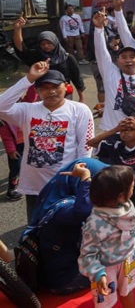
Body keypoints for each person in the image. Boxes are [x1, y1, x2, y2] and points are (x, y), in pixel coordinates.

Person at [0, 62, 94, 218]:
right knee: (35, 231)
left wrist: (78, 177)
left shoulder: (79, 110)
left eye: (55, 86)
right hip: (34, 185)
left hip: (64, 183)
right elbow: (2, 106)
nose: (50, 92)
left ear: (66, 87)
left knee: (63, 230)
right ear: (37, 91)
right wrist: (29, 78)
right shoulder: (27, 110)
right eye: (44, 87)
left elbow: (86, 145)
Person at [22, 158, 107, 294]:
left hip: (62, 269)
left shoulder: (56, 198)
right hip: (64, 281)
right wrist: (85, 178)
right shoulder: (64, 207)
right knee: (129, 257)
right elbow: (83, 211)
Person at [89, 116, 135, 258]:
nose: (126, 133)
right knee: (124, 223)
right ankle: (129, 250)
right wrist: (115, 130)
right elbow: (91, 142)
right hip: (121, 194)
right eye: (123, 130)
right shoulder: (115, 147)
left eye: (131, 129)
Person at [78, 165, 135, 308]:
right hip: (105, 267)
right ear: (120, 195)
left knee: (127, 290)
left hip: (125, 259)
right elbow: (87, 253)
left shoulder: (126, 206)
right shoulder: (95, 223)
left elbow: (130, 226)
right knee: (105, 301)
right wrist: (98, 274)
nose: (133, 188)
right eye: (132, 186)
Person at [13, 18, 86, 102]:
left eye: (49, 43)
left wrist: (81, 98)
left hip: (64, 94)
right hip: (43, 94)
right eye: (43, 44)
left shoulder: (67, 58)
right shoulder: (36, 56)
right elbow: (21, 49)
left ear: (55, 42)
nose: (46, 46)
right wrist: (17, 29)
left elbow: (77, 79)